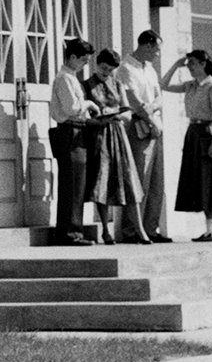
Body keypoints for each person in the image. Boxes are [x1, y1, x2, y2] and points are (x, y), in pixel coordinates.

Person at [163, 48, 212, 241]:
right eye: (189, 65)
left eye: (193, 64)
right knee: (200, 182)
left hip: (207, 133)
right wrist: (176, 66)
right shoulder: (191, 86)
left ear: (203, 64)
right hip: (193, 133)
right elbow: (164, 85)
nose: (190, 68)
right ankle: (209, 229)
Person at [84, 49, 149, 244]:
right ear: (97, 65)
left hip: (118, 136)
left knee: (128, 179)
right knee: (102, 181)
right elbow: (87, 114)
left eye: (111, 70)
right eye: (104, 68)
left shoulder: (118, 85)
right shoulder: (86, 85)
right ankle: (105, 229)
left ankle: (140, 229)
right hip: (99, 136)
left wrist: (112, 113)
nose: (107, 72)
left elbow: (128, 114)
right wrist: (105, 114)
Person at [114, 30, 171, 242]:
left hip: (155, 126)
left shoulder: (150, 69)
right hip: (140, 128)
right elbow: (133, 101)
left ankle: (150, 228)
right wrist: (150, 118)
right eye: (156, 49)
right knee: (139, 179)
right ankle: (132, 230)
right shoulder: (126, 68)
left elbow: (159, 96)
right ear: (146, 45)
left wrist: (153, 113)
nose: (157, 54)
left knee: (156, 180)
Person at [47, 38, 98, 245]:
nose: (85, 64)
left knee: (77, 184)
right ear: (73, 57)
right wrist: (89, 103)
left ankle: (74, 230)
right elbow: (72, 108)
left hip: (77, 130)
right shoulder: (64, 78)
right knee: (72, 184)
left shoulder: (71, 78)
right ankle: (69, 233)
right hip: (69, 131)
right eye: (83, 60)